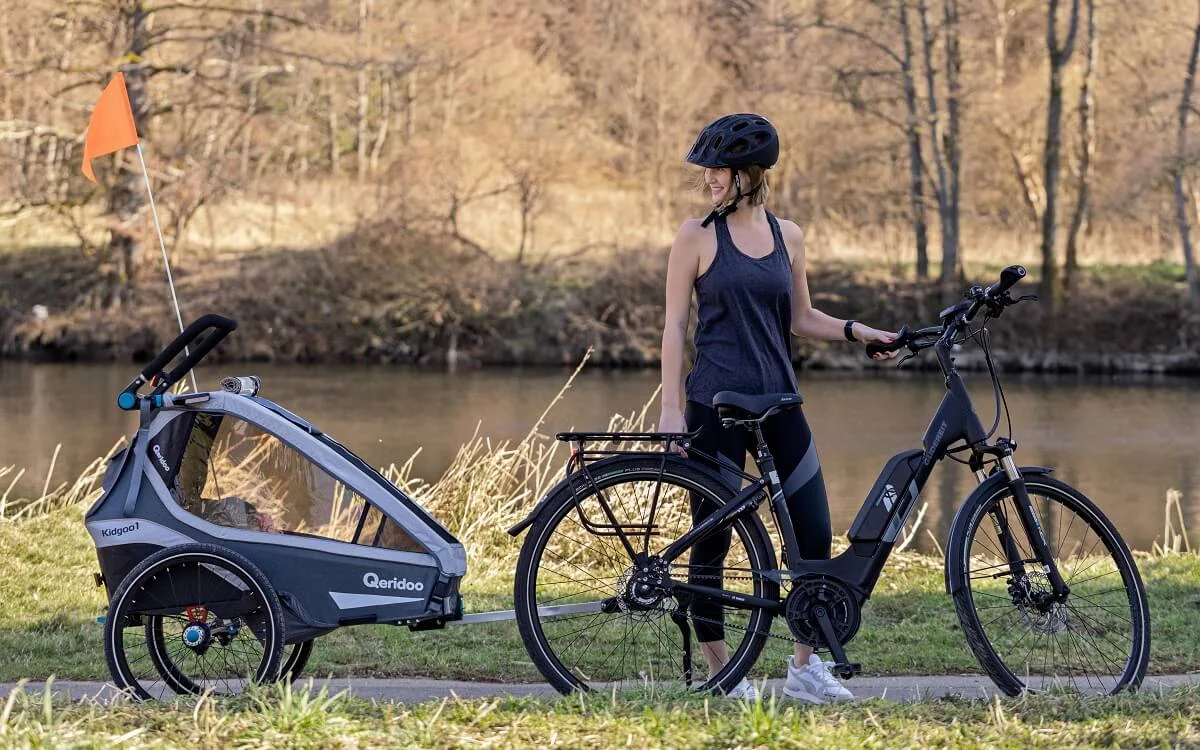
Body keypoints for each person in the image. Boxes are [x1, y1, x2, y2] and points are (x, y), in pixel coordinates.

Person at [658, 113, 899, 703]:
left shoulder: (789, 235)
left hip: (780, 402)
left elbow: (800, 318)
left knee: (813, 531)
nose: (708, 179)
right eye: (706, 170)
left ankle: (804, 669)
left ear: (749, 174)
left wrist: (859, 330)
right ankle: (722, 669)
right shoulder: (695, 236)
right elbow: (672, 326)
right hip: (713, 404)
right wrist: (670, 409)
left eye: (718, 169)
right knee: (711, 539)